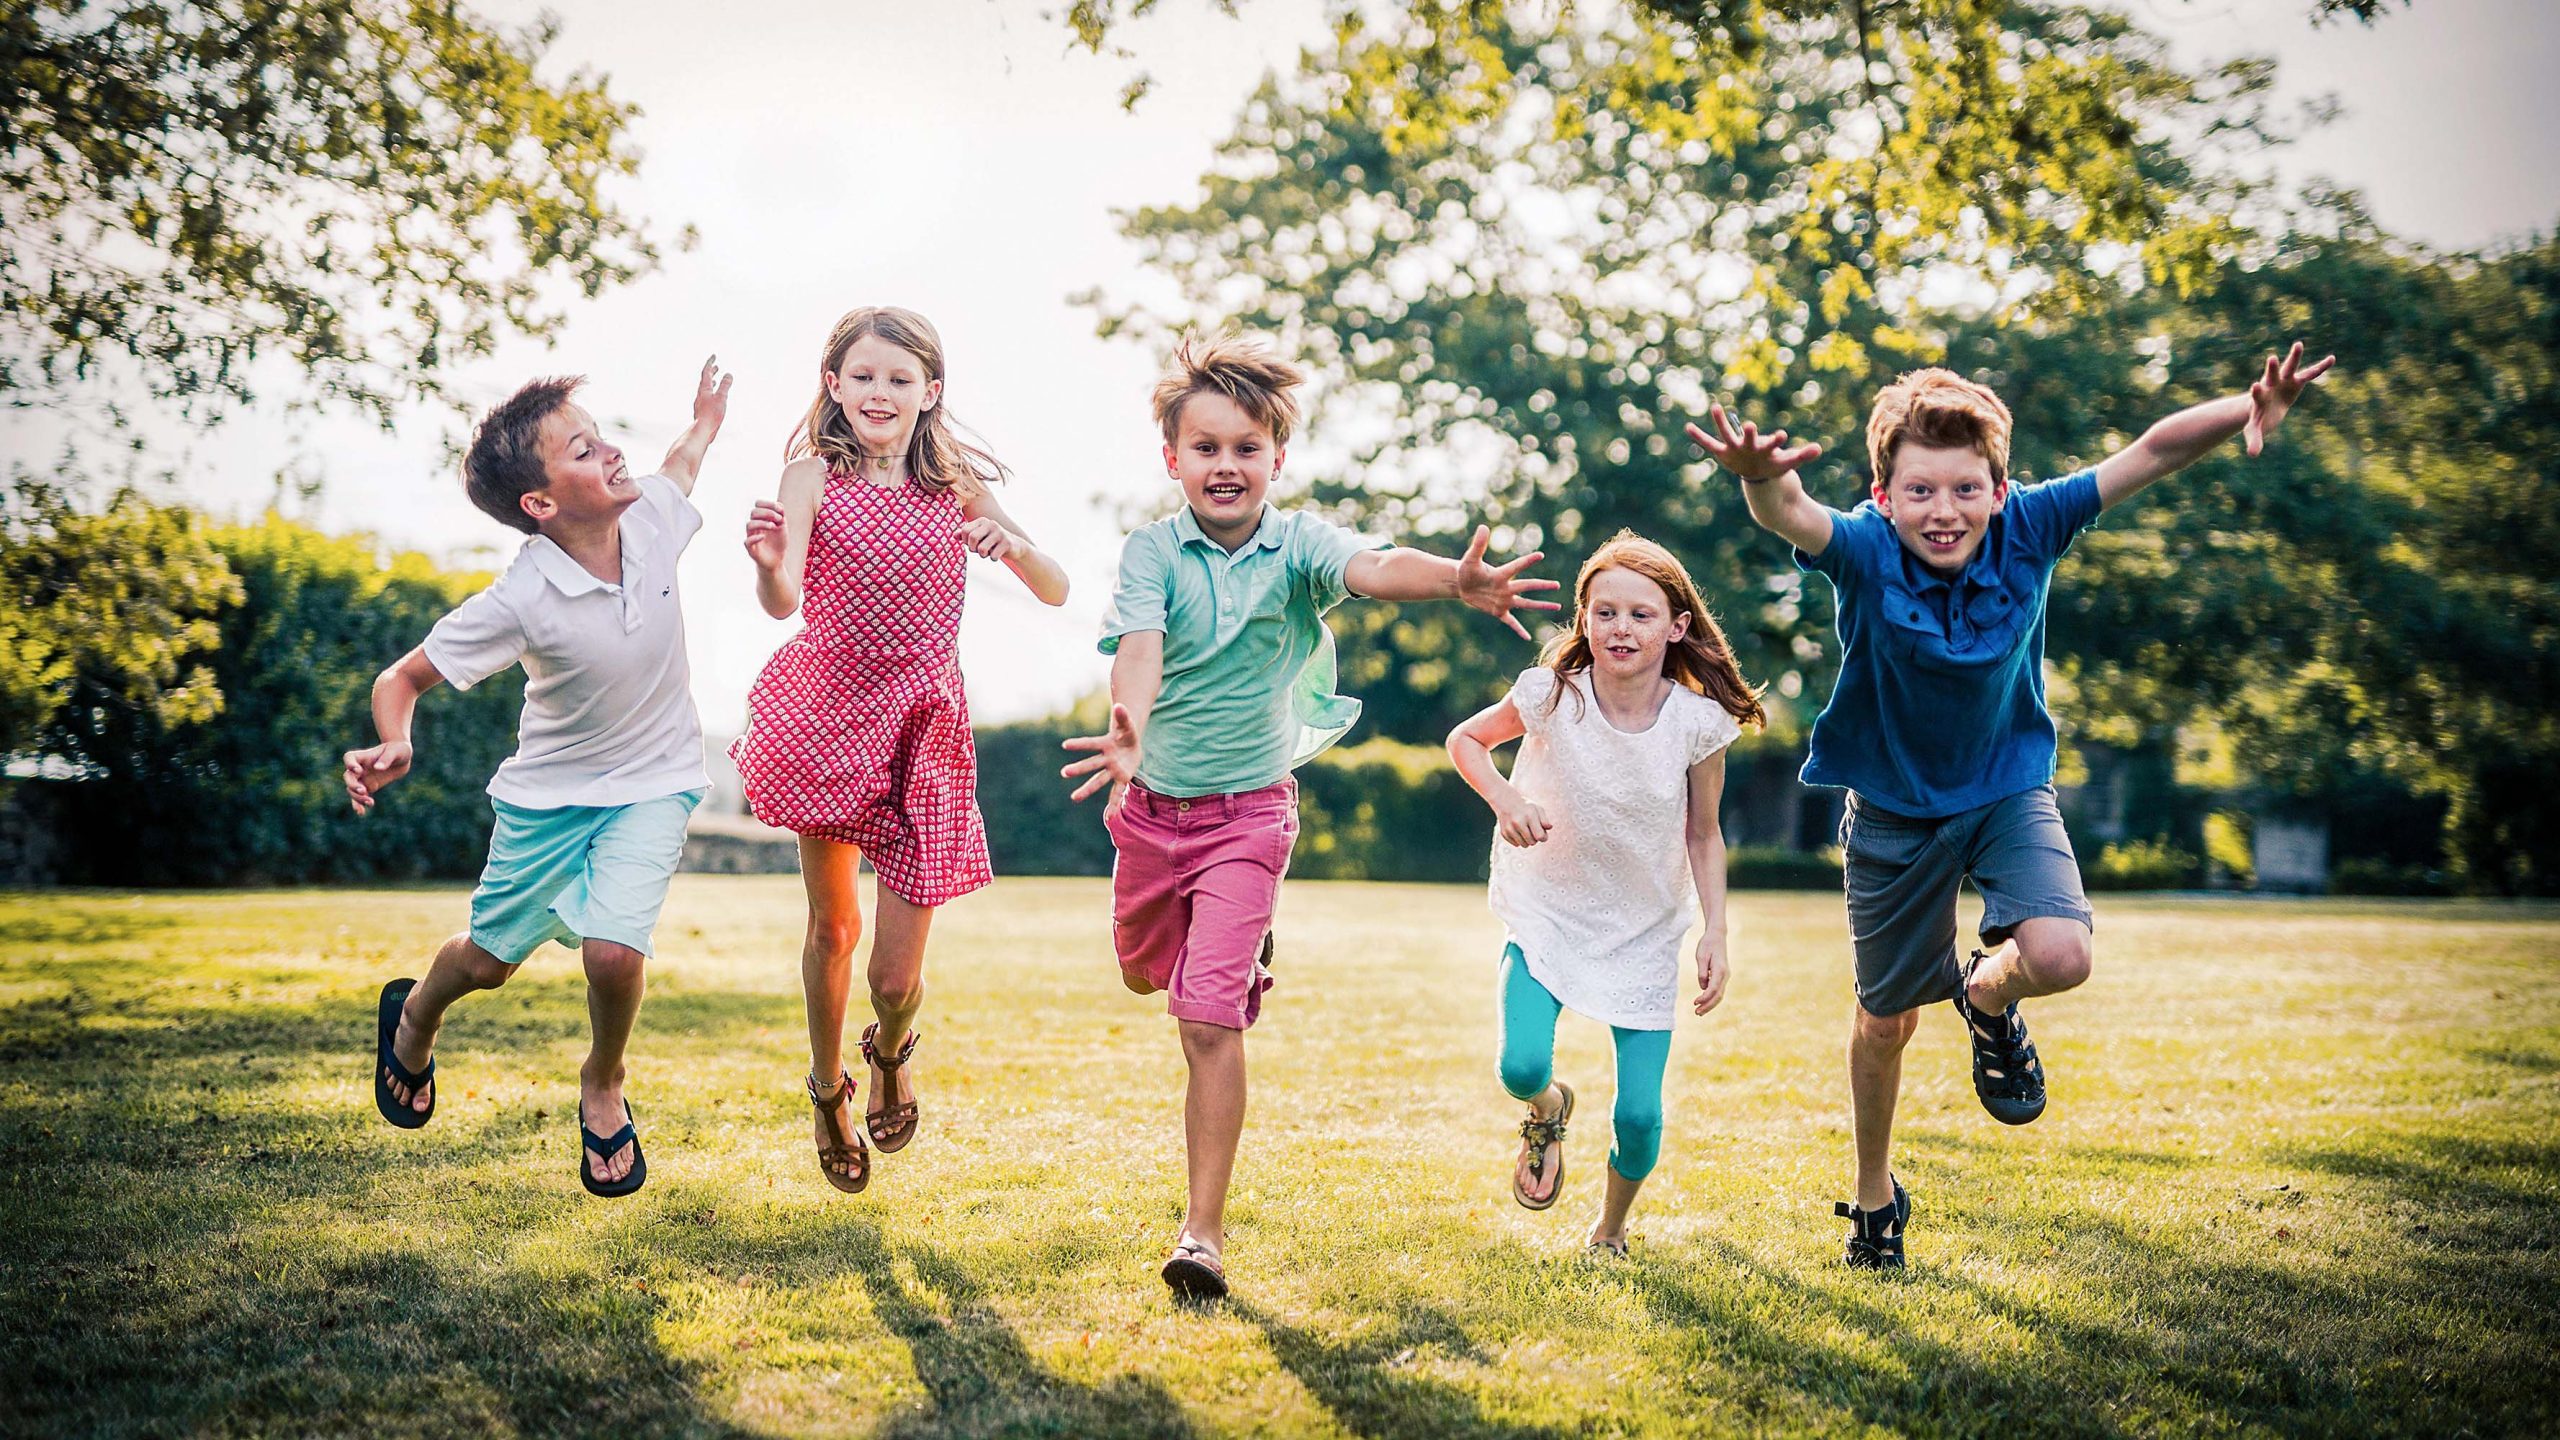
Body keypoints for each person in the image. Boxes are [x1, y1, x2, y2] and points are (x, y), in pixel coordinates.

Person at [1688, 343, 2334, 1267]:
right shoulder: (1867, 551)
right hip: (1893, 813)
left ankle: (1987, 1001)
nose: (1942, 511)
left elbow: (2149, 450)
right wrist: (1757, 480)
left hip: (2005, 791)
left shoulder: (2033, 526)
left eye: (1963, 490)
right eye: (1919, 491)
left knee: (2062, 952)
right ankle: (1875, 1199)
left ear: (1998, 489)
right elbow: (1791, 510)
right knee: (1885, 1022)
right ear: (1884, 497)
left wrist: (2247, 407)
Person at [1060, 333, 1558, 1300]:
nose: (1226, 465)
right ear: (1173, 460)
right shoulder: (1153, 550)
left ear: (1276, 460)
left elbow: (1375, 566)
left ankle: (1200, 1236)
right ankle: (1228, 950)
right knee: (1139, 972)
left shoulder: (1299, 546)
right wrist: (1129, 732)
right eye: (1205, 448)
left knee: (1205, 1017)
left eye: (1247, 448)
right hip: (1154, 814)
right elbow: (1143, 651)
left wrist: (1453, 580)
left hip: (1250, 815)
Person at [348, 356, 733, 1199]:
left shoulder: (657, 518)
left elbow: (683, 463)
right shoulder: (522, 596)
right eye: (584, 451)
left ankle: (603, 1081)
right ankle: (414, 1017)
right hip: (549, 801)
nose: (611, 456)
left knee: (613, 949)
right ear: (541, 504)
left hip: (657, 779)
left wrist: (704, 419)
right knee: (487, 962)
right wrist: (395, 742)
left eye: (601, 439)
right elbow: (401, 678)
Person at [732, 306, 1069, 1196]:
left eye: (899, 378)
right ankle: (825, 1088)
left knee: (893, 974)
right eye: (863, 376)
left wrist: (1016, 546)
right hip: (830, 718)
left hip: (925, 726)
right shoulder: (809, 477)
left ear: (931, 393)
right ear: (833, 386)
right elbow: (782, 598)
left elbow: (1057, 588)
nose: (879, 392)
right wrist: (770, 565)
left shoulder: (953, 486)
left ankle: (889, 1052)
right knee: (833, 930)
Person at [1446, 532, 1762, 1255]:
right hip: (1548, 908)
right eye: (1606, 612)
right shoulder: (1553, 694)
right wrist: (1504, 799)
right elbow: (1466, 740)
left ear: (1676, 627)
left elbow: (1704, 835)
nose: (1622, 628)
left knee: (1642, 1119)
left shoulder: (1698, 724)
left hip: (1645, 928)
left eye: (1642, 615)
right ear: (1584, 620)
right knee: (1520, 1066)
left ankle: (1609, 1230)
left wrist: (1715, 932)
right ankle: (1549, 1111)